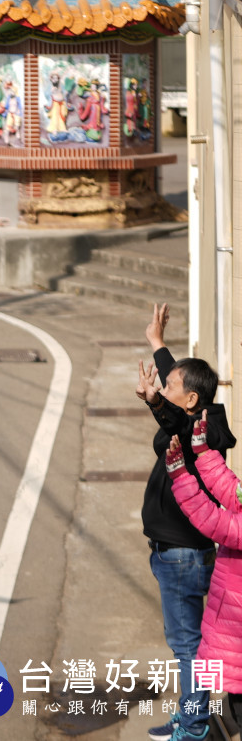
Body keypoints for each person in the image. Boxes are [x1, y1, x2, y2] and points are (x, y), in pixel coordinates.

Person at [135, 303, 237, 741]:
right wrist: (158, 344)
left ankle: (193, 728)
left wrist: (157, 401)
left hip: (181, 556)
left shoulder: (201, 432)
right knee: (187, 643)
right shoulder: (199, 417)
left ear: (191, 399)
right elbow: (182, 395)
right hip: (176, 554)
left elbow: (176, 413)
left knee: (187, 647)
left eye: (170, 384)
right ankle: (190, 718)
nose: (163, 381)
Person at [167, 416, 242, 740]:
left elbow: (213, 520)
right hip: (234, 626)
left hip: (236, 626)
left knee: (238, 706)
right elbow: (230, 488)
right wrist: (202, 451)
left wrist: (182, 475)